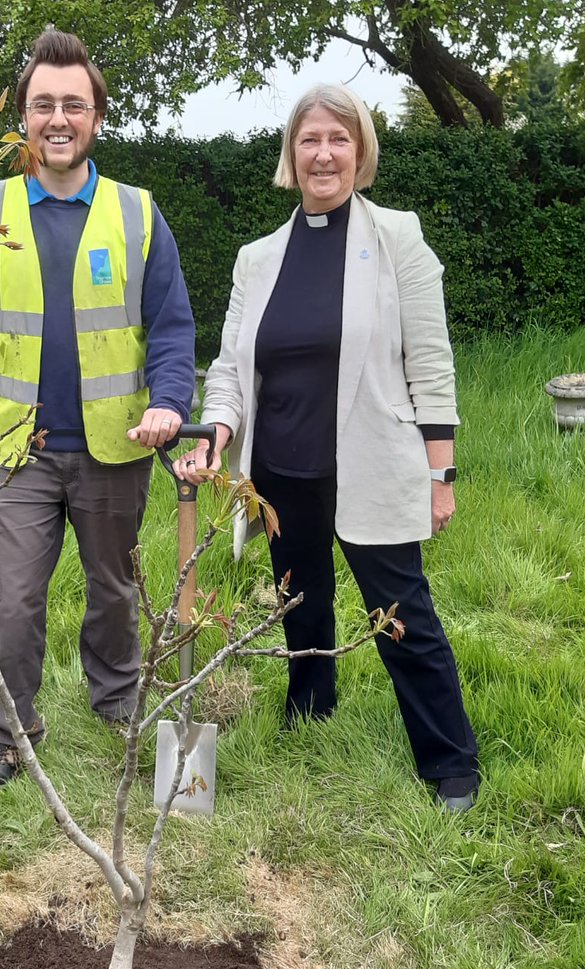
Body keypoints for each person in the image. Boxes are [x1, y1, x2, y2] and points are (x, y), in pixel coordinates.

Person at [175, 84, 479, 812]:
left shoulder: (396, 237)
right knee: (298, 600)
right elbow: (229, 367)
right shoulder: (257, 258)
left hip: (367, 461)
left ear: (360, 152)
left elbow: (429, 364)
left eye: (338, 139)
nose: (323, 153)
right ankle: (310, 707)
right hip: (279, 466)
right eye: (309, 139)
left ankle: (449, 760)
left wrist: (441, 473)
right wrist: (216, 430)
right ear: (291, 153)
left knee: (401, 611)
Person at [0, 28, 195, 786]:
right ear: (24, 116)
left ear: (96, 118)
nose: (57, 118)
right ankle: (10, 732)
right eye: (42, 104)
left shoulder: (137, 215)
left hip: (116, 443)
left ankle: (115, 702)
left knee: (114, 590)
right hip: (17, 451)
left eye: (72, 105)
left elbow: (172, 326)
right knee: (12, 597)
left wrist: (171, 403)